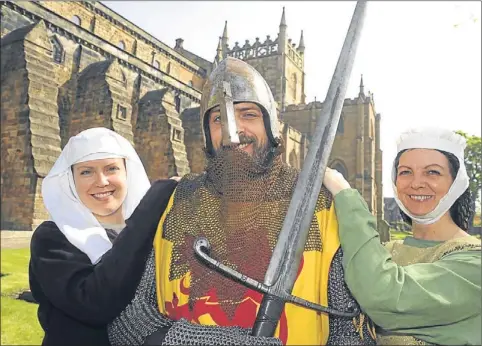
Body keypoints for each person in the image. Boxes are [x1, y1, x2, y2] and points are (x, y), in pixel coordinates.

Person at [108, 57, 376, 345]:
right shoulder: (174, 203)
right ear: (206, 134)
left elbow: (351, 332)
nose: (233, 132)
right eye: (218, 119)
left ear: (272, 125)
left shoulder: (319, 207)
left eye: (248, 114)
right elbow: (129, 321)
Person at [323, 127, 481, 345]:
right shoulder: (384, 251)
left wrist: (345, 195)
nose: (416, 183)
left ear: (456, 183)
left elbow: (386, 297)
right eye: (406, 172)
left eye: (432, 172)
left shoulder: (475, 263)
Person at [29, 127, 178, 346]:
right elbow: (94, 304)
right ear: (71, 180)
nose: (102, 181)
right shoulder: (53, 237)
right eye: (86, 172)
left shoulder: (158, 230)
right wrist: (151, 206)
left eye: (111, 169)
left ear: (127, 173)